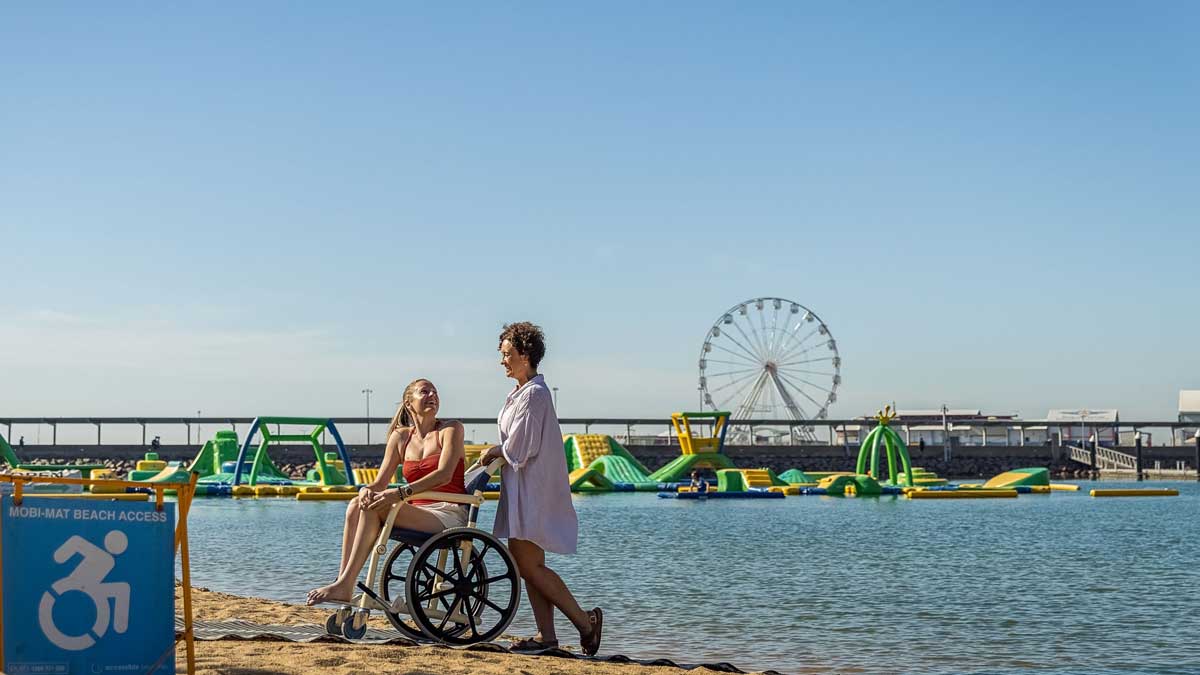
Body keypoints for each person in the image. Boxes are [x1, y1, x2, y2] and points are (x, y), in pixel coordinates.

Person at [481, 322, 603, 655]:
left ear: (525, 354)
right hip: (523, 490)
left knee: (528, 565)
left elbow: (520, 448)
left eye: (507, 354)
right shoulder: (521, 393)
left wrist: (493, 451)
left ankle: (585, 622)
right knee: (529, 566)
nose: (502, 361)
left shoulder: (534, 394)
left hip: (533, 491)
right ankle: (547, 635)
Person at [307, 378, 467, 606]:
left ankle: (345, 584)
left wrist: (399, 494)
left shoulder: (451, 429)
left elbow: (444, 475)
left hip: (447, 513)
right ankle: (343, 581)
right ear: (409, 402)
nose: (432, 395)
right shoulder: (401, 437)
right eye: (424, 391)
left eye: (435, 392)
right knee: (356, 504)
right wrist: (365, 490)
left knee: (378, 508)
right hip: (415, 511)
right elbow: (379, 483)